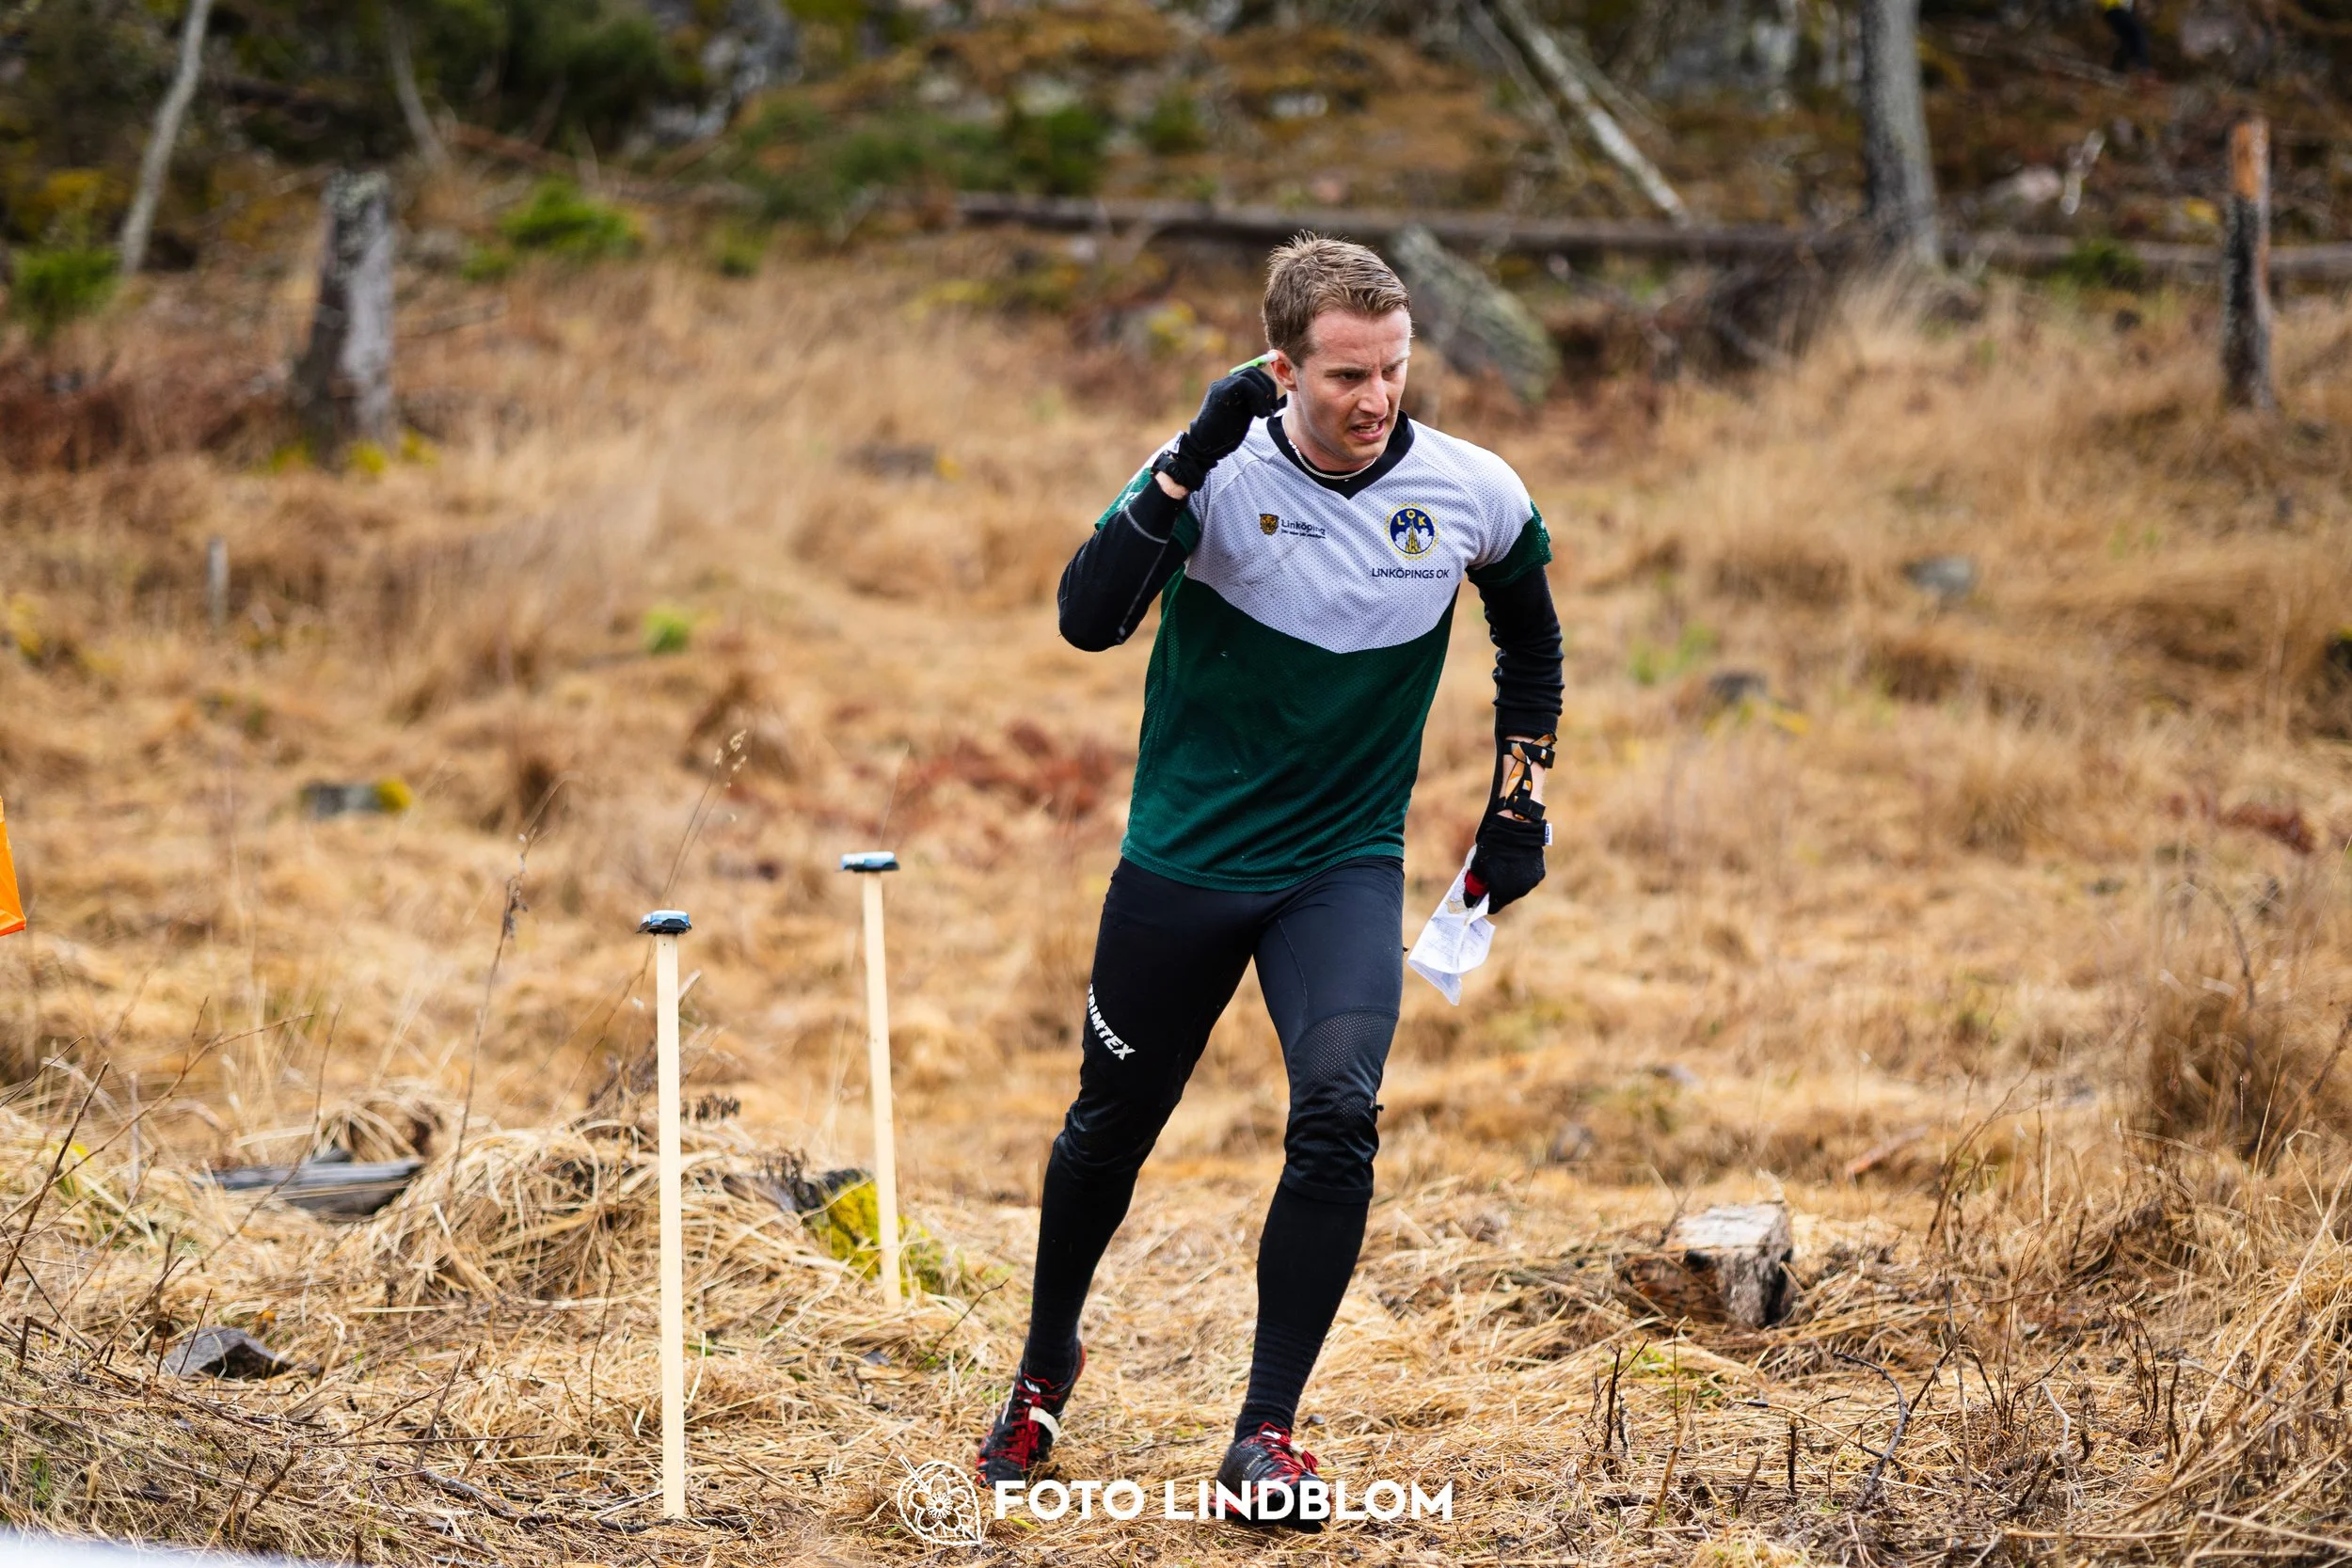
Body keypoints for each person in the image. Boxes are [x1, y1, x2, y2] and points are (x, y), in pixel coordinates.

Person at [974, 235, 1565, 1528]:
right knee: (1107, 1131)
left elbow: (1529, 627)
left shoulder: (1469, 489)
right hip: (1182, 863)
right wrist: (1188, 452)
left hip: (1339, 866)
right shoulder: (1217, 468)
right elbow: (1084, 616)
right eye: (1347, 374)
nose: (1376, 398)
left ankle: (1266, 1431)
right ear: (1283, 364)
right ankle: (1044, 1357)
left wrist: (1519, 795)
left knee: (1341, 1112)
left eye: (1394, 370)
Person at [2099, 0, 2154, 75]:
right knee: (2138, 34)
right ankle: (2142, 66)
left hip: (2116, 10)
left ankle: (2118, 68)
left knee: (2126, 40)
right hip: (2116, 8)